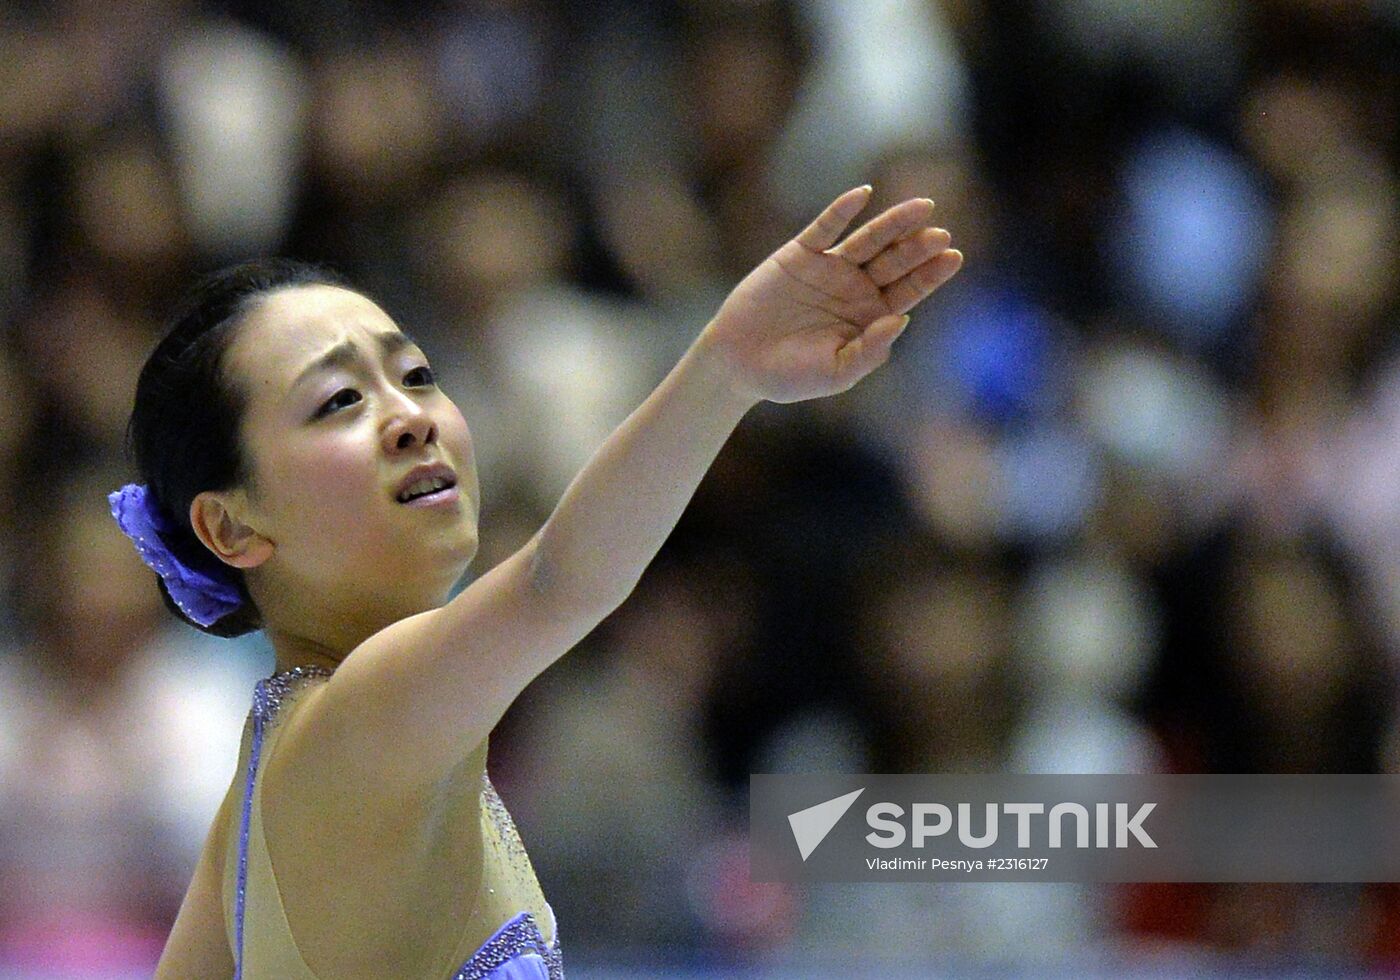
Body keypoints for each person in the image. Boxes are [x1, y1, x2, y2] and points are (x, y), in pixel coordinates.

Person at [115, 185, 961, 978]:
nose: (411, 418)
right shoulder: (355, 716)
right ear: (230, 527)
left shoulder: (271, 779)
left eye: (415, 375)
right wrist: (723, 371)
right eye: (339, 400)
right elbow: (560, 580)